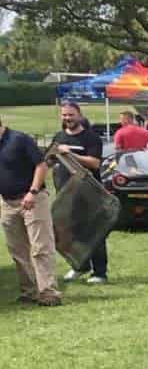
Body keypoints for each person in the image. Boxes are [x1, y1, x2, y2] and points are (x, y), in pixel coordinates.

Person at [0, 113, 60, 306]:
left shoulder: (19, 139)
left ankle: (49, 293)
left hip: (33, 200)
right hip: (7, 203)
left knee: (41, 247)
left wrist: (32, 192)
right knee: (17, 250)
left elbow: (41, 165)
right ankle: (29, 291)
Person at [49, 103, 109, 285]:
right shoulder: (59, 136)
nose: (67, 118)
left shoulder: (91, 138)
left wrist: (70, 154)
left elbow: (95, 163)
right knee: (71, 233)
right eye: (64, 115)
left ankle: (100, 272)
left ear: (79, 115)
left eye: (71, 115)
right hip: (65, 195)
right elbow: (50, 161)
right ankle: (80, 266)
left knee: (94, 232)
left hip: (88, 194)